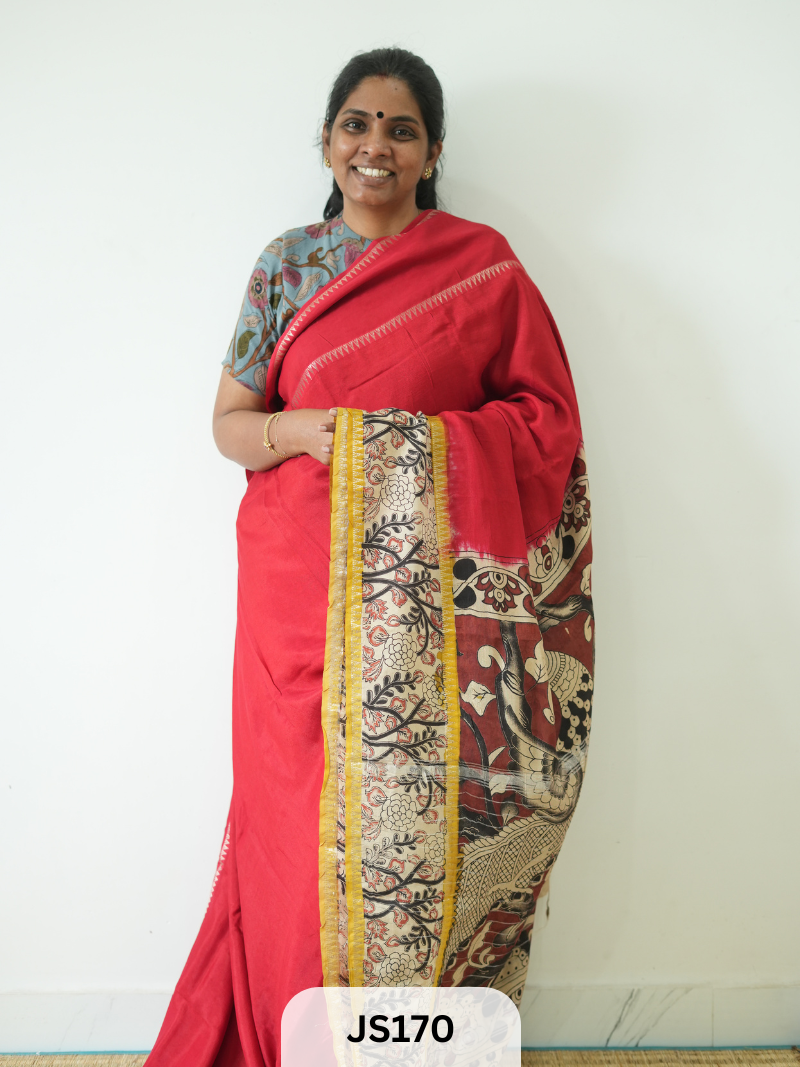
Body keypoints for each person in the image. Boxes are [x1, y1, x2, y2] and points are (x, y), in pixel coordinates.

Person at [145, 47, 594, 1067]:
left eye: (400, 129)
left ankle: (398, 1044)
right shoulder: (286, 265)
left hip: (426, 614)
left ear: (431, 151)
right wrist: (297, 432)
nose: (375, 146)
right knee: (292, 814)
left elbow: (545, 424)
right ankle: (286, 1030)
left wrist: (406, 445)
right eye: (356, 123)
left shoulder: (481, 267)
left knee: (418, 822)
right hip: (295, 588)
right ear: (326, 140)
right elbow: (229, 423)